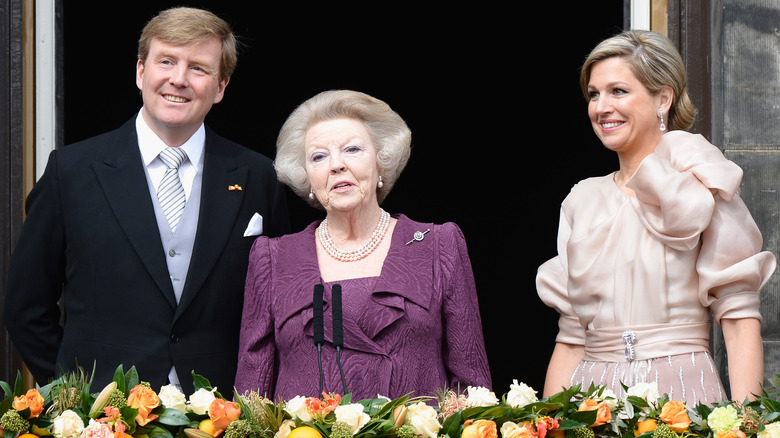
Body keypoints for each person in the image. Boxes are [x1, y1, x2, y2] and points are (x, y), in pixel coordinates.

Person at [3, 7, 290, 395]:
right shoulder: (70, 171)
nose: (178, 79)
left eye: (198, 68)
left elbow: (277, 309)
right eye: (166, 61)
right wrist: (72, 394)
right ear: (141, 71)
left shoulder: (259, 177)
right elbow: (26, 306)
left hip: (222, 415)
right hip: (102, 418)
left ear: (221, 87)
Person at [536, 30, 776, 406]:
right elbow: (571, 339)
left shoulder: (702, 181)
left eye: (618, 91)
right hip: (591, 402)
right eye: (594, 94)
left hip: (683, 395)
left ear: (663, 98)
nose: (601, 107)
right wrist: (545, 423)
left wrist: (749, 421)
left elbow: (739, 318)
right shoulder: (581, 199)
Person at [234, 89, 492, 400]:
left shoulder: (437, 246)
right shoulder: (273, 259)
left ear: (381, 161)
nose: (336, 165)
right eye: (319, 156)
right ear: (307, 177)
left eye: (352, 150)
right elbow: (251, 397)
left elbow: (473, 390)